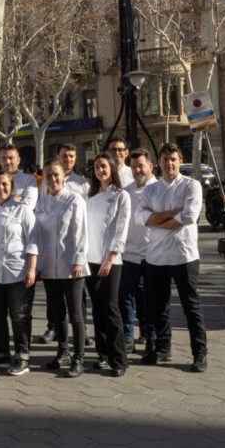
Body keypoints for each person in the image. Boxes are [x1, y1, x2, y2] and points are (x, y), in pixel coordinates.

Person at [140, 143, 207, 372]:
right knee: (160, 307)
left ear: (180, 161)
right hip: (156, 256)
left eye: (173, 159)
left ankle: (199, 353)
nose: (169, 163)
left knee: (191, 306)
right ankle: (163, 348)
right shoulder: (150, 189)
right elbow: (144, 219)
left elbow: (189, 216)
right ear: (158, 162)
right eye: (165, 159)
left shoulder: (192, 186)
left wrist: (158, 219)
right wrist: (172, 215)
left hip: (184, 255)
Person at [0, 171, 38, 376]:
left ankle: (23, 355)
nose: (1, 188)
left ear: (11, 187)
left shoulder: (23, 210)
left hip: (18, 271)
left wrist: (31, 269)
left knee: (19, 315)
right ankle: (1, 352)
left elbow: (33, 242)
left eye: (4, 185)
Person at [34, 158, 89, 378]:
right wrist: (37, 265)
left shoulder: (74, 200)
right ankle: (63, 352)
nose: (53, 179)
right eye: (49, 175)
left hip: (70, 265)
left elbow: (81, 232)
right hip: (49, 267)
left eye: (56, 174)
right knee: (58, 314)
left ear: (63, 176)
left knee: (76, 314)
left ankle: (79, 358)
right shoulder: (41, 204)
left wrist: (79, 260)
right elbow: (37, 236)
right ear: (44, 179)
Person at [85, 154, 130, 377]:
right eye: (96, 166)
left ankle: (119, 359)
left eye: (103, 166)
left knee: (111, 309)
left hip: (110, 261)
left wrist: (110, 257)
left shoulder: (121, 196)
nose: (100, 170)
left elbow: (121, 230)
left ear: (112, 168)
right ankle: (102, 354)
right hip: (90, 260)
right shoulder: (90, 197)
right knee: (98, 309)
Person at [119, 148, 158, 354]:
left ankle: (151, 337)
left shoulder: (159, 188)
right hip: (128, 255)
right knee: (125, 298)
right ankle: (127, 337)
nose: (137, 170)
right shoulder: (125, 192)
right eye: (133, 167)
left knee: (150, 299)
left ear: (150, 166)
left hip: (153, 255)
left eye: (140, 165)